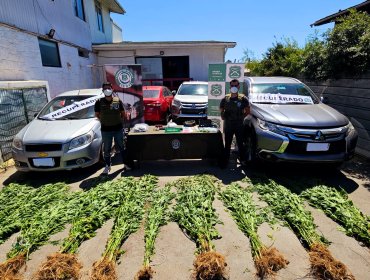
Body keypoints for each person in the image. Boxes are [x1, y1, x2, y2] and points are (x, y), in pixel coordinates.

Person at [94, 82, 131, 175]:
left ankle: (126, 164)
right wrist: (105, 121)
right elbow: (97, 115)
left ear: (112, 89)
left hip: (118, 129)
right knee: (106, 149)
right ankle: (107, 166)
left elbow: (123, 113)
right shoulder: (99, 102)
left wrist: (119, 121)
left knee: (122, 147)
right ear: (102, 90)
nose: (107, 90)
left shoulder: (117, 100)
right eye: (105, 88)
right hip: (106, 130)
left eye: (109, 88)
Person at [219, 79, 250, 166]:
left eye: (236, 85)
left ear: (239, 86)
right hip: (228, 124)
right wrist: (223, 116)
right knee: (227, 143)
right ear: (230, 87)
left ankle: (243, 160)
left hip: (239, 125)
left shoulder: (243, 99)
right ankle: (225, 161)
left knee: (240, 143)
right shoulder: (225, 98)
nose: (234, 87)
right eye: (232, 86)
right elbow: (221, 109)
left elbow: (248, 111)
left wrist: (241, 117)